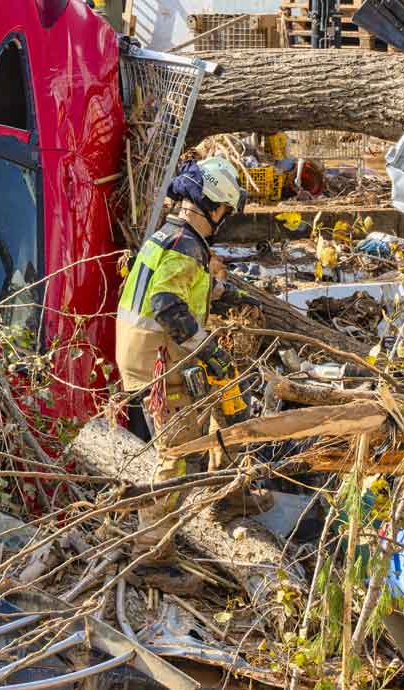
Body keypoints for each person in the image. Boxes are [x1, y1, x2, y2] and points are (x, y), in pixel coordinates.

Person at [115, 156, 251, 556]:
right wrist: (208, 350)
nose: (224, 218)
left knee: (218, 407)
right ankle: (151, 549)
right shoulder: (184, 244)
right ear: (209, 205)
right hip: (158, 359)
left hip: (151, 351)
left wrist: (225, 294)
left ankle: (224, 497)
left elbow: (182, 284)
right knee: (174, 456)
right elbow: (166, 303)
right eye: (224, 210)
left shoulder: (171, 237)